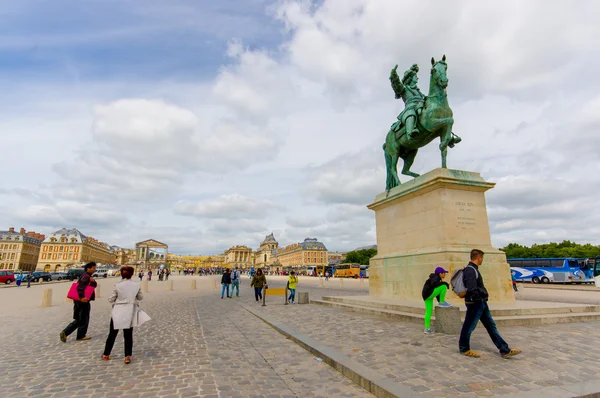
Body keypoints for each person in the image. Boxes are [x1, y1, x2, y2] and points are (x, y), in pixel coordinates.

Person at [458, 249, 521, 358]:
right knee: (469, 326)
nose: (482, 260)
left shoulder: (473, 269)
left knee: (491, 326)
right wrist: (480, 297)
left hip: (480, 303)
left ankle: (504, 349)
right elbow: (472, 288)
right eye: (482, 258)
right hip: (475, 303)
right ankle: (464, 348)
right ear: (479, 258)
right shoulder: (470, 270)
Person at [101, 266, 144, 364]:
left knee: (112, 333)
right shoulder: (136, 285)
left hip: (118, 311)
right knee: (128, 335)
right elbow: (140, 297)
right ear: (132, 274)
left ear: (121, 274)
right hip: (130, 311)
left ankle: (106, 354)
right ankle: (127, 356)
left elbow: (111, 299)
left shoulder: (117, 285)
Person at [60, 262, 98, 342]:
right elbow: (80, 288)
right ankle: (81, 335)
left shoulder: (86, 276)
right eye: (93, 268)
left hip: (78, 301)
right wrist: (82, 297)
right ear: (88, 268)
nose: (95, 269)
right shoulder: (86, 277)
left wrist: (93, 281)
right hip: (82, 301)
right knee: (84, 319)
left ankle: (65, 332)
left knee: (78, 319)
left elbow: (94, 285)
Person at [390, 63, 425, 140]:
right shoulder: (404, 88)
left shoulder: (417, 91)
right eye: (415, 76)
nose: (417, 78)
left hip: (421, 105)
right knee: (411, 114)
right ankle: (410, 132)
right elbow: (398, 85)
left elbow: (424, 98)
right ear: (410, 78)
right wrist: (394, 76)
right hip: (410, 107)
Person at [421, 266, 452, 334]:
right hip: (429, 293)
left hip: (426, 295)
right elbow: (434, 284)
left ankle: (427, 328)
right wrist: (444, 283)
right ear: (440, 273)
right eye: (444, 273)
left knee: (428, 312)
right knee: (444, 286)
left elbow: (437, 291)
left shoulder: (434, 278)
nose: (445, 274)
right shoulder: (436, 277)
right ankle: (442, 302)